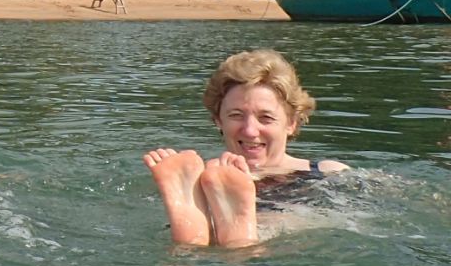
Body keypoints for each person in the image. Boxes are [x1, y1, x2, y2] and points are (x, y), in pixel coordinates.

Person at [142, 49, 350, 248]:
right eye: (236, 115)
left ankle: (204, 230)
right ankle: (225, 235)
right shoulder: (200, 177)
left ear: (291, 122)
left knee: (193, 249)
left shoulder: (328, 172)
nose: (250, 131)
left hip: (244, 232)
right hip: (276, 245)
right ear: (218, 120)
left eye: (265, 118)